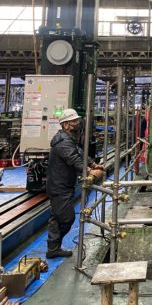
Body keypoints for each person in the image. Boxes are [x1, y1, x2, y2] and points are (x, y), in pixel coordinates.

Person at [45, 108, 104, 259]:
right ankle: (54, 247)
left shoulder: (68, 138)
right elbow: (74, 159)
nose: (78, 123)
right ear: (66, 125)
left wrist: (93, 164)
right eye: (75, 121)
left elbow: (79, 153)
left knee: (56, 217)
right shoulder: (63, 142)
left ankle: (53, 248)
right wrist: (89, 171)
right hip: (59, 186)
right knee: (67, 218)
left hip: (63, 184)